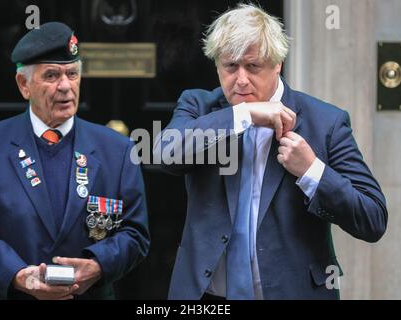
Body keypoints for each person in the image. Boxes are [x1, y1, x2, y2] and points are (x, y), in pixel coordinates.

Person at [154, 4, 387, 300]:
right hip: (207, 297)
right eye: (230, 66)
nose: (240, 79)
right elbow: (165, 154)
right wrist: (245, 114)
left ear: (278, 63)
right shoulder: (199, 106)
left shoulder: (325, 122)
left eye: (252, 67)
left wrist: (313, 171)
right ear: (217, 65)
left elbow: (373, 218)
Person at [0, 22, 150, 300]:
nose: (65, 86)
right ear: (24, 85)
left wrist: (97, 265)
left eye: (72, 74)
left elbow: (135, 234)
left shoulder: (117, 149)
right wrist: (19, 275)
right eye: (51, 75)